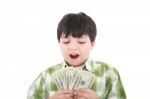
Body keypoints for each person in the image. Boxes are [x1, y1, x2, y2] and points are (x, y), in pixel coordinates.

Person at [27, 12, 126, 99]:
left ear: (92, 43)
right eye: (66, 42)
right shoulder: (46, 75)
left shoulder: (108, 73)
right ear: (59, 43)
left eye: (81, 42)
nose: (73, 47)